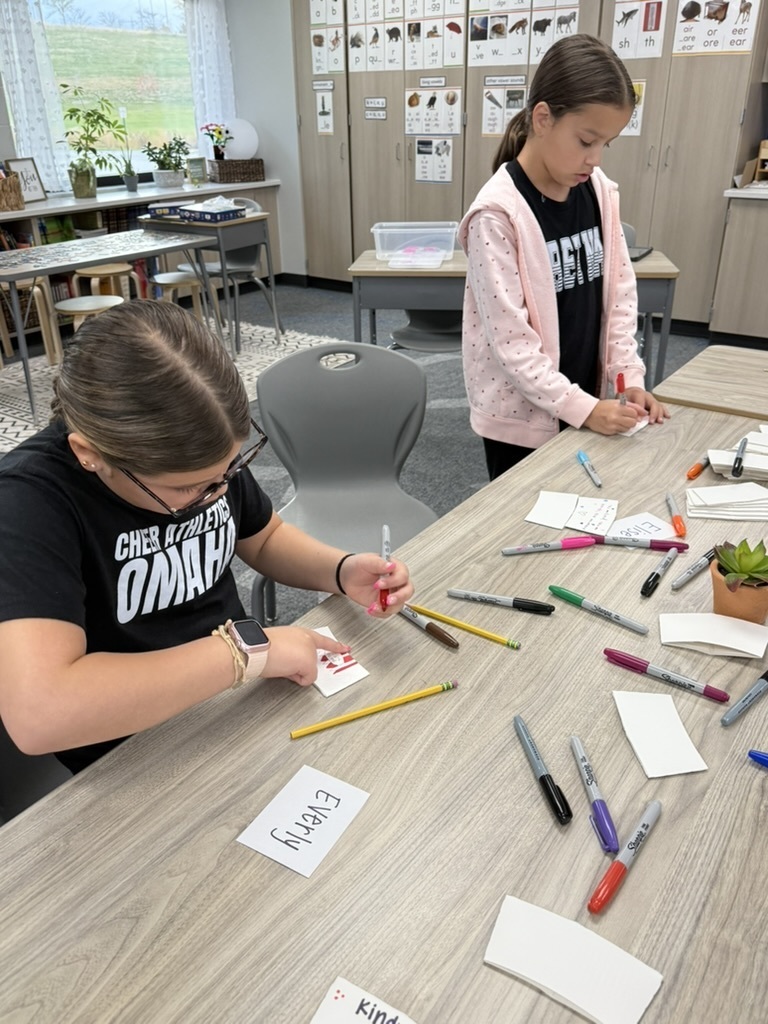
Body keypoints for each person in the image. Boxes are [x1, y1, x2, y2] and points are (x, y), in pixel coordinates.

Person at [0, 300, 413, 774]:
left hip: (238, 694)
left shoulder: (201, 456)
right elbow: (42, 714)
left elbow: (262, 536)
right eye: (187, 488)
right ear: (91, 455)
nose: (216, 493)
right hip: (132, 747)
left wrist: (340, 571)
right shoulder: (27, 504)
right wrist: (246, 652)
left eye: (228, 472)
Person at [459, 34, 669, 481]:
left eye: (605, 145)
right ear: (542, 118)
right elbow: (513, 346)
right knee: (521, 530)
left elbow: (619, 297)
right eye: (585, 140)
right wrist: (584, 408)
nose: (594, 159)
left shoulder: (597, 192)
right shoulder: (497, 216)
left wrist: (627, 378)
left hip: (587, 401)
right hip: (523, 421)